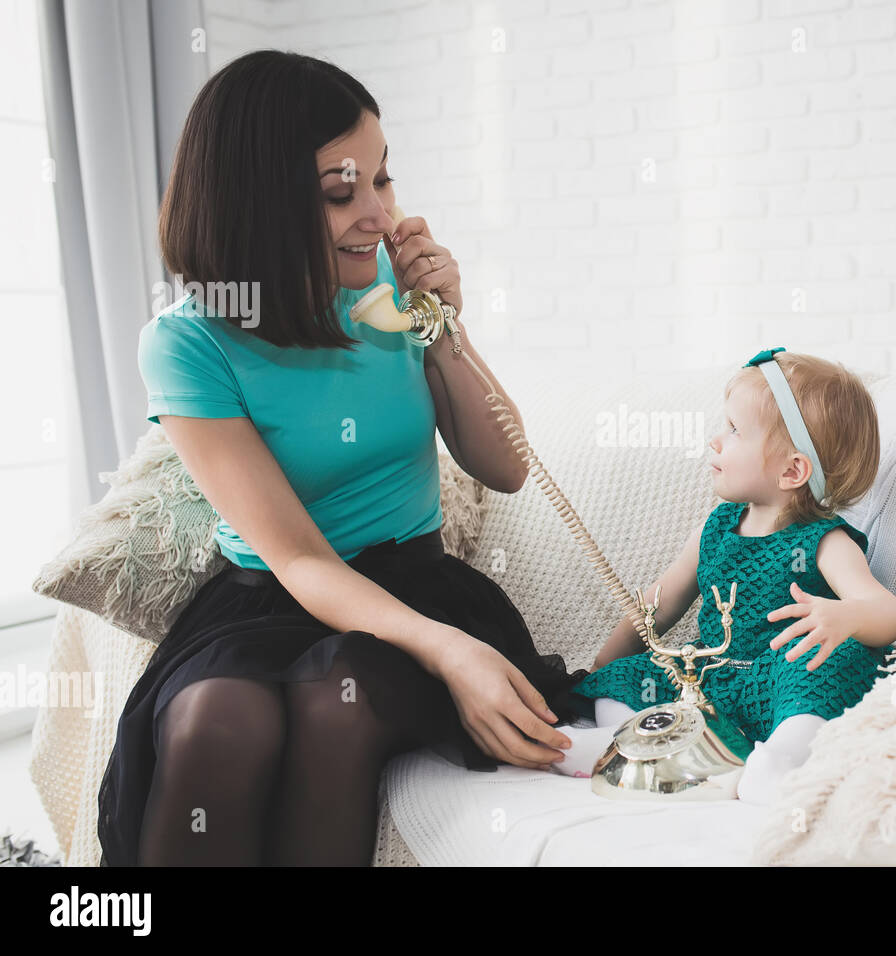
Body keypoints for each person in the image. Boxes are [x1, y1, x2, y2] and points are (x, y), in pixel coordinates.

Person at [97, 50, 588, 867]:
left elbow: (504, 465)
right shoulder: (187, 342)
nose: (378, 214)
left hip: (415, 585)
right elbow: (293, 554)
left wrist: (442, 323)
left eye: (383, 180)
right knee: (215, 718)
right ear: (260, 205)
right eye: (340, 191)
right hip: (276, 598)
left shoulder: (394, 295)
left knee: (336, 700)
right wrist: (445, 650)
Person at [551, 348, 896, 804]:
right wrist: (606, 663)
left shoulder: (824, 542)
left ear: (792, 469)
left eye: (735, 431)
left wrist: (845, 618)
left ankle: (781, 758)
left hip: (779, 679)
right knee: (631, 675)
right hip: (709, 680)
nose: (716, 440)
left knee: (832, 662)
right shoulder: (715, 529)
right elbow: (659, 604)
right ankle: (624, 742)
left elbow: (888, 613)